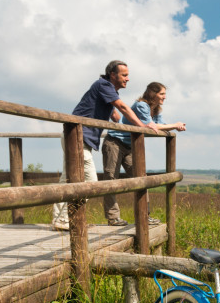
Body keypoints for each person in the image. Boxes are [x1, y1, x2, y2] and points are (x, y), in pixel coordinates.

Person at [51, 60, 158, 231]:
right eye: (124, 75)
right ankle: (64, 218)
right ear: (112, 75)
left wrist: (131, 126)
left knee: (68, 180)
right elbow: (121, 106)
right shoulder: (103, 85)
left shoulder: (108, 92)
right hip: (77, 137)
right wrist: (141, 126)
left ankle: (61, 219)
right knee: (91, 181)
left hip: (79, 138)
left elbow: (116, 117)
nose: (128, 79)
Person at [101, 81, 186, 226]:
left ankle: (144, 216)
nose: (165, 97)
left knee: (142, 178)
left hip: (130, 145)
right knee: (111, 179)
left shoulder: (156, 109)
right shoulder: (142, 106)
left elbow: (161, 127)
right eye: (162, 94)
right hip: (114, 142)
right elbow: (151, 126)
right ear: (153, 94)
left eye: (165, 94)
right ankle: (113, 217)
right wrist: (175, 125)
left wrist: (172, 127)